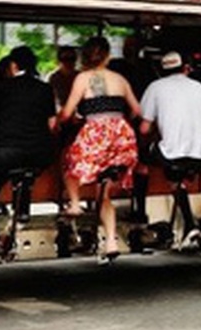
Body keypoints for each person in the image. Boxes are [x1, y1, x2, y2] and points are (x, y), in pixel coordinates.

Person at [0, 46, 57, 267]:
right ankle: (22, 199)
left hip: (7, 151)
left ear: (13, 65)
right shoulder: (45, 89)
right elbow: (52, 125)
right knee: (24, 171)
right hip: (41, 154)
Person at [59, 36, 141, 260]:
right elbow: (136, 110)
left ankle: (75, 204)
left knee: (68, 159)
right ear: (107, 56)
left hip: (95, 136)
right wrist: (119, 118)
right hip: (123, 141)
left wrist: (78, 118)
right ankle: (111, 243)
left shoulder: (82, 78)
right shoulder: (120, 79)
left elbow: (66, 113)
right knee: (104, 195)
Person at [137, 50, 201, 247]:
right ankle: (190, 225)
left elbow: (144, 128)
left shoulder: (155, 87)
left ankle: (140, 212)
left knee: (140, 158)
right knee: (176, 181)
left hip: (172, 153)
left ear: (162, 70)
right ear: (185, 68)